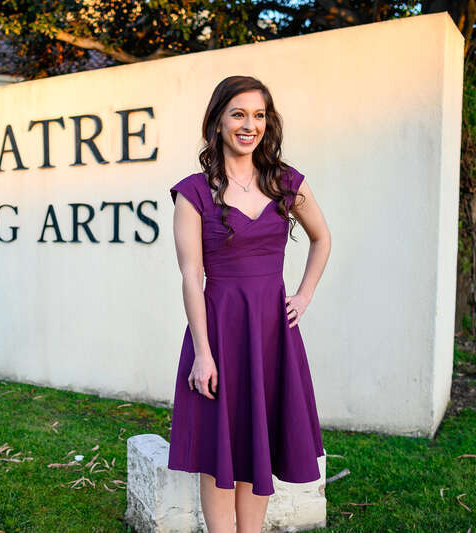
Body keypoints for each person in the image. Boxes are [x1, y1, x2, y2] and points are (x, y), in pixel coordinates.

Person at [166, 75, 331, 533]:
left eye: (259, 115)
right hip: (218, 333)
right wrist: (202, 353)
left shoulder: (285, 182)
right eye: (239, 113)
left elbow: (322, 238)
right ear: (218, 121)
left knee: (257, 443)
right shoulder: (193, 193)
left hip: (272, 336)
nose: (249, 125)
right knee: (221, 449)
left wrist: (304, 293)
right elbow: (190, 277)